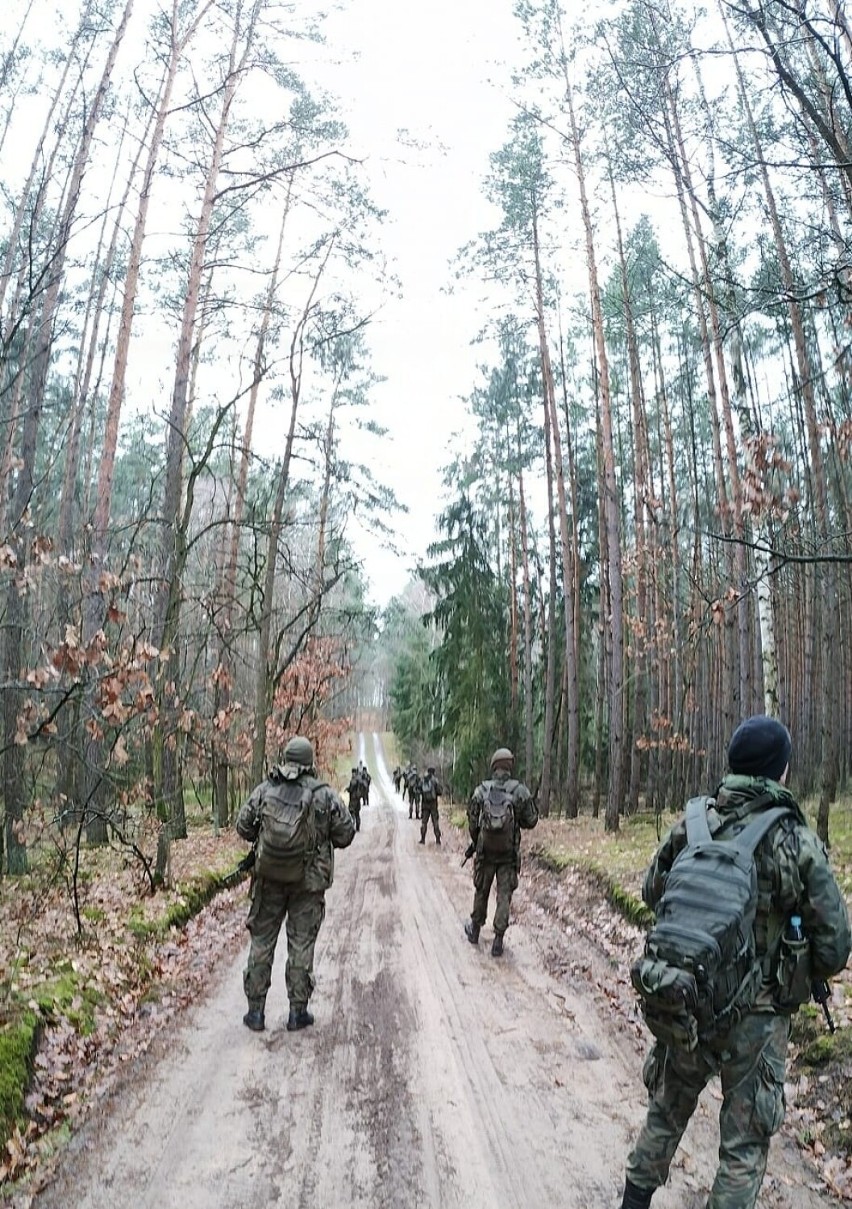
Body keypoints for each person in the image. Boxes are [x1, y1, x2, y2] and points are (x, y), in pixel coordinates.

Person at [619, 715, 851, 1209]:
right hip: (758, 1018)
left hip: (688, 995)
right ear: (779, 771)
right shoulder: (795, 839)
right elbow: (835, 947)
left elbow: (651, 891)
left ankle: (633, 1201)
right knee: (743, 1144)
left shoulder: (695, 822)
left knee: (667, 1110)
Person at [236, 735, 355, 1033]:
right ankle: (297, 1013)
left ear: (286, 759)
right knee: (301, 946)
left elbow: (243, 825)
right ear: (309, 762)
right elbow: (346, 834)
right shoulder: (325, 795)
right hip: (308, 886)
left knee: (262, 943)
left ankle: (256, 1013)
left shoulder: (266, 788)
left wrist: (267, 841)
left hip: (269, 882)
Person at [464, 747, 538, 956]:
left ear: (494, 766)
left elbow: (472, 821)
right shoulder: (520, 791)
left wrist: (478, 840)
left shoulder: (481, 790)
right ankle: (498, 940)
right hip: (508, 855)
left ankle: (475, 930)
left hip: (485, 852)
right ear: (509, 766)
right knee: (504, 896)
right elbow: (531, 821)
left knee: (482, 890)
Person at [419, 765, 442, 845]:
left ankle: (422, 839)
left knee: (424, 822)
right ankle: (438, 839)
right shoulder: (435, 780)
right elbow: (440, 792)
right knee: (435, 822)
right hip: (433, 805)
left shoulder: (423, 780)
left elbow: (418, 790)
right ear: (434, 772)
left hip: (425, 804)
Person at [346, 767, 363, 833]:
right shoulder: (360, 779)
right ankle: (358, 827)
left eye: (352, 773)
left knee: (351, 812)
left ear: (354, 773)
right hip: (358, 799)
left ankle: (352, 827)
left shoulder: (354, 780)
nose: (352, 774)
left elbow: (351, 788)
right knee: (357, 814)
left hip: (353, 799)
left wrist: (348, 789)